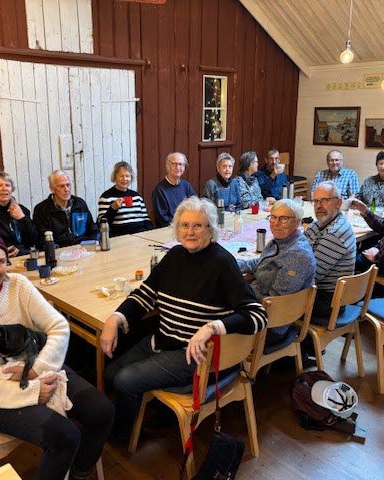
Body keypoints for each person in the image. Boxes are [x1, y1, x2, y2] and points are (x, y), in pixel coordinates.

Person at [0, 225, 114, 480]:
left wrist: (36, 371)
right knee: (64, 437)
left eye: (0, 261)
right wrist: (31, 390)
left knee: (102, 411)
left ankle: (79, 473)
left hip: (36, 369)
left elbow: (58, 326)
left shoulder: (18, 285)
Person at [101, 196, 267, 439]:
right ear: (177, 229)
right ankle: (154, 412)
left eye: (198, 225)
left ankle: (120, 437)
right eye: (184, 225)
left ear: (210, 229)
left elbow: (257, 315)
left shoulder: (222, 263)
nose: (190, 232)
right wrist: (115, 318)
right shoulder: (174, 256)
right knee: (110, 373)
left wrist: (212, 327)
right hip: (164, 340)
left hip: (193, 355)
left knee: (125, 381)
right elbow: (145, 295)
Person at [237, 199, 315, 344]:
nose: (276, 223)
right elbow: (262, 262)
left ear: (297, 222)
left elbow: (275, 303)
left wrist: (243, 291)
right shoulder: (281, 241)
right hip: (259, 308)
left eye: (283, 218)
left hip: (271, 325)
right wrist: (234, 265)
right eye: (273, 217)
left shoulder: (297, 255)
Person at [305, 182, 356, 320]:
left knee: (267, 300)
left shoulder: (335, 233)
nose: (318, 206)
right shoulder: (320, 223)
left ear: (338, 203)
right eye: (315, 201)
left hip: (328, 300)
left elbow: (310, 275)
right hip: (319, 291)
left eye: (324, 200)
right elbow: (296, 249)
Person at [33, 170, 99, 248]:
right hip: (59, 250)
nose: (66, 189)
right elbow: (42, 241)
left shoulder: (80, 204)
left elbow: (93, 229)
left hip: (83, 248)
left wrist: (92, 243)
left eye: (68, 185)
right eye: (61, 186)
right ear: (52, 189)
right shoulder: (42, 210)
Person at [98, 161, 152, 237]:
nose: (124, 179)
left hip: (141, 236)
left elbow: (146, 220)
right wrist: (113, 208)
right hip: (121, 237)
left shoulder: (137, 196)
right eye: (121, 176)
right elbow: (102, 224)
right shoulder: (106, 197)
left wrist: (149, 235)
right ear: (115, 177)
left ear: (131, 178)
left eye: (127, 176)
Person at [151, 152, 196, 227]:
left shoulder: (186, 185)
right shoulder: (159, 190)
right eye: (174, 164)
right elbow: (163, 219)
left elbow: (195, 205)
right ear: (167, 166)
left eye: (181, 164)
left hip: (187, 225)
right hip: (169, 229)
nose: (178, 167)